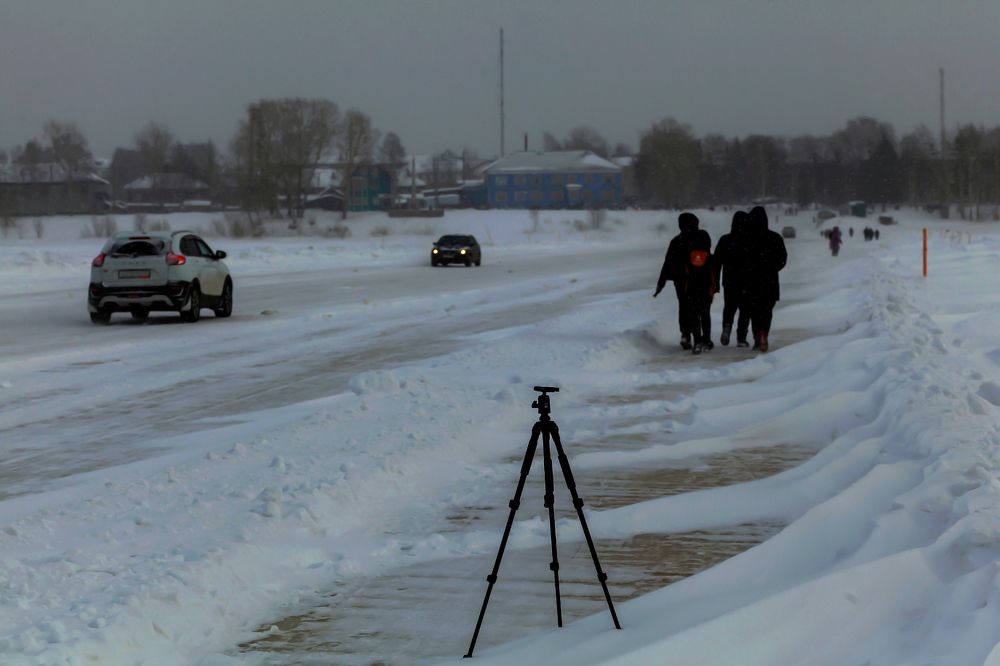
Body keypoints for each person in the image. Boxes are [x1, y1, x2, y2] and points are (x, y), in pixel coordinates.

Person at [654, 212, 701, 350]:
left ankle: (686, 334)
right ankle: (698, 338)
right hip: (698, 279)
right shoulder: (700, 238)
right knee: (695, 308)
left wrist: (661, 283)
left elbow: (667, 263)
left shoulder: (676, 241)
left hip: (680, 281)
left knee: (684, 306)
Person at [746, 206, 787, 353]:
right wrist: (771, 268)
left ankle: (757, 336)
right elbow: (782, 259)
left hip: (751, 281)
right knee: (767, 310)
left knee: (754, 311)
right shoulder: (774, 237)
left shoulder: (747, 238)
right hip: (770, 280)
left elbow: (740, 259)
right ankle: (764, 333)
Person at [713, 210, 752, 347]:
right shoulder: (750, 240)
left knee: (729, 306)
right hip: (747, 280)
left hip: (729, 280)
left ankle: (726, 328)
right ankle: (741, 337)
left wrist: (715, 282)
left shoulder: (725, 240)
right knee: (745, 309)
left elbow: (716, 262)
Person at [684, 229, 717, 354]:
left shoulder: (688, 257)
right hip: (705, 291)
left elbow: (685, 274)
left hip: (691, 291)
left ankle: (697, 342)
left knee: (694, 317)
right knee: (705, 315)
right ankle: (706, 341)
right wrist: (714, 289)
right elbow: (713, 276)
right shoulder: (710, 258)